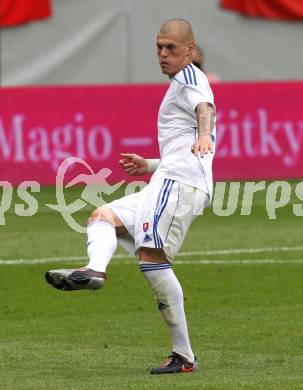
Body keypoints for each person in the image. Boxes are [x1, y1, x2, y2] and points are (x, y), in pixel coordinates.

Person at [45, 18, 216, 375]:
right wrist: (151, 163)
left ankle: (183, 356)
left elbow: (205, 111)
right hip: (168, 177)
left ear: (190, 49)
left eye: (171, 47)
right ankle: (95, 270)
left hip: (179, 182)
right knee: (102, 217)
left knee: (151, 254)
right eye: (158, 47)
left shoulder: (189, 78)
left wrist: (206, 136)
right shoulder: (178, 84)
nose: (163, 54)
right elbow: (182, 139)